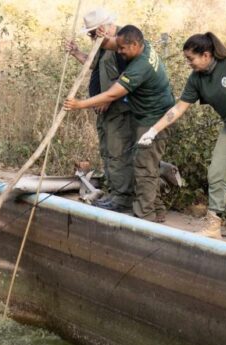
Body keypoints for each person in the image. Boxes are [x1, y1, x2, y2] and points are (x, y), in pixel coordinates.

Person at [135, 32, 226, 250]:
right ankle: (213, 226)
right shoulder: (196, 80)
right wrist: (153, 130)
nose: (189, 64)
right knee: (216, 172)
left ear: (206, 55)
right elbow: (178, 108)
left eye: (191, 59)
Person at [64, 25, 175, 222]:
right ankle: (156, 210)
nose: (120, 52)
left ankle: (145, 216)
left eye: (122, 49)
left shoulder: (140, 65)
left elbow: (114, 92)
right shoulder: (137, 43)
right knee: (146, 164)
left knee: (144, 166)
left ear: (133, 45)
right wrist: (96, 40)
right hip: (146, 116)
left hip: (153, 118)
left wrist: (79, 104)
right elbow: (111, 46)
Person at [65, 8, 133, 212]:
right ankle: (114, 192)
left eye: (92, 33)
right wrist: (76, 52)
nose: (91, 37)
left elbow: (129, 76)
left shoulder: (123, 43)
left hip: (117, 109)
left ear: (104, 28)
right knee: (107, 150)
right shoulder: (103, 44)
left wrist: (109, 99)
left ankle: (122, 199)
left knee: (117, 153)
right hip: (103, 110)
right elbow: (95, 64)